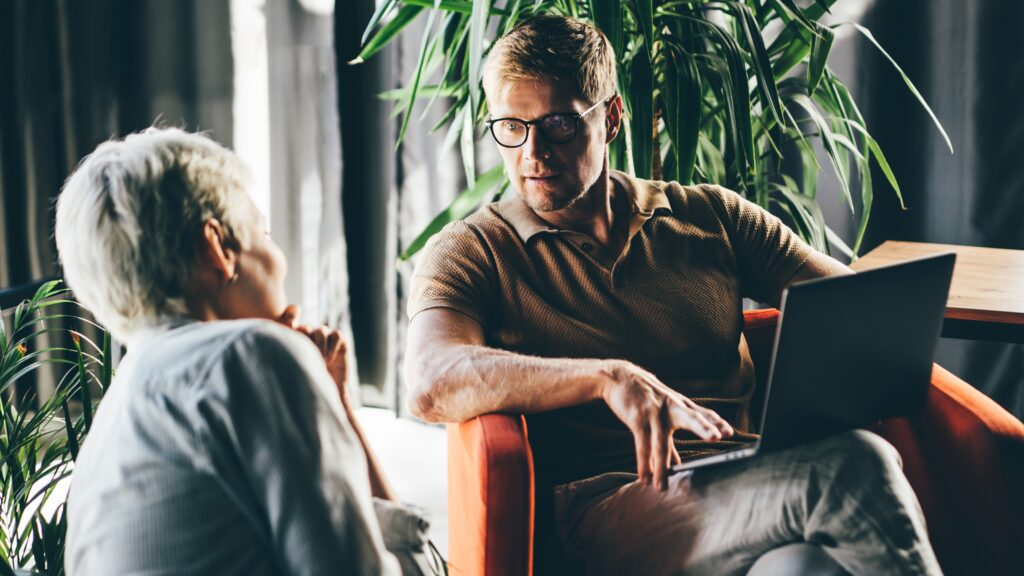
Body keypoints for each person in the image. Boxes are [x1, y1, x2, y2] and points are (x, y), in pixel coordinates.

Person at [404, 16, 942, 575]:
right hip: (606, 508)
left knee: (809, 567)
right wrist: (605, 376)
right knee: (856, 464)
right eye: (511, 127)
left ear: (610, 118)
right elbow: (430, 381)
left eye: (559, 123)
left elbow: (855, 307)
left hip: (749, 480)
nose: (533, 152)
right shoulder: (472, 249)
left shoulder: (710, 215)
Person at [56, 128, 410, 575]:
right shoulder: (250, 355)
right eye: (265, 232)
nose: (279, 259)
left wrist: (333, 401)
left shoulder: (112, 418)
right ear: (217, 248)